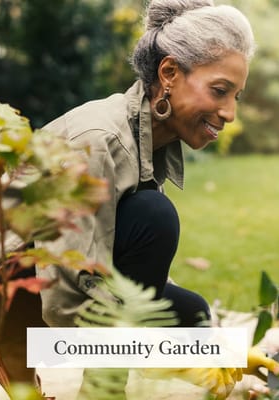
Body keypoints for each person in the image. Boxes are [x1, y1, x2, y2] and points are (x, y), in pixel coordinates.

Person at [36, 1, 279, 398]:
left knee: (191, 312)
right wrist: (159, 353)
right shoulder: (101, 140)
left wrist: (216, 349)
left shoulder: (149, 142)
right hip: (13, 296)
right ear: (169, 73)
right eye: (220, 91)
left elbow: (136, 274)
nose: (230, 113)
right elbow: (60, 296)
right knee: (155, 215)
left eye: (236, 96)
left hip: (56, 287)